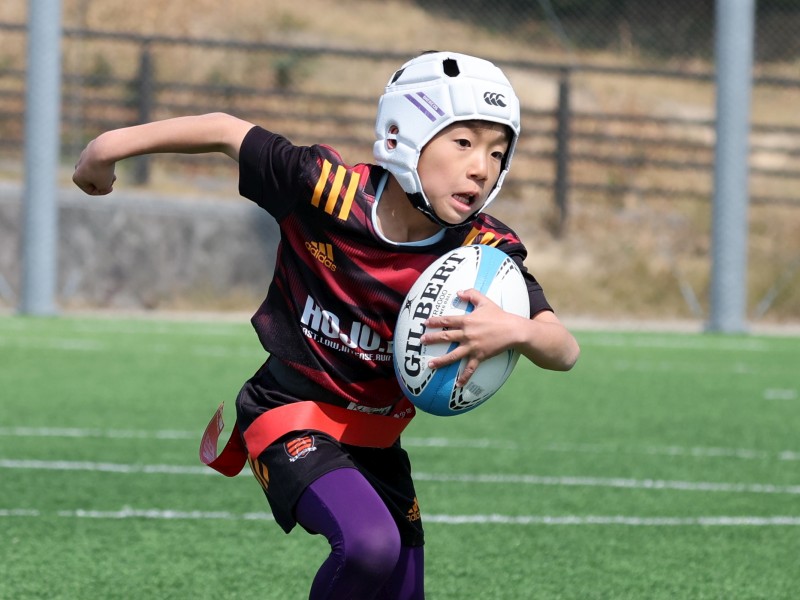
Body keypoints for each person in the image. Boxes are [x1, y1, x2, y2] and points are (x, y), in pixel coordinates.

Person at [73, 51, 580, 600]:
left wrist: (517, 331)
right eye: (463, 142)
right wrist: (105, 148)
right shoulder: (324, 189)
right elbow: (223, 130)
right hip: (287, 414)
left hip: (378, 441)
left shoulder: (484, 254)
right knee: (369, 546)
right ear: (403, 133)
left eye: (497, 153)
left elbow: (564, 347)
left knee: (403, 588)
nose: (481, 167)